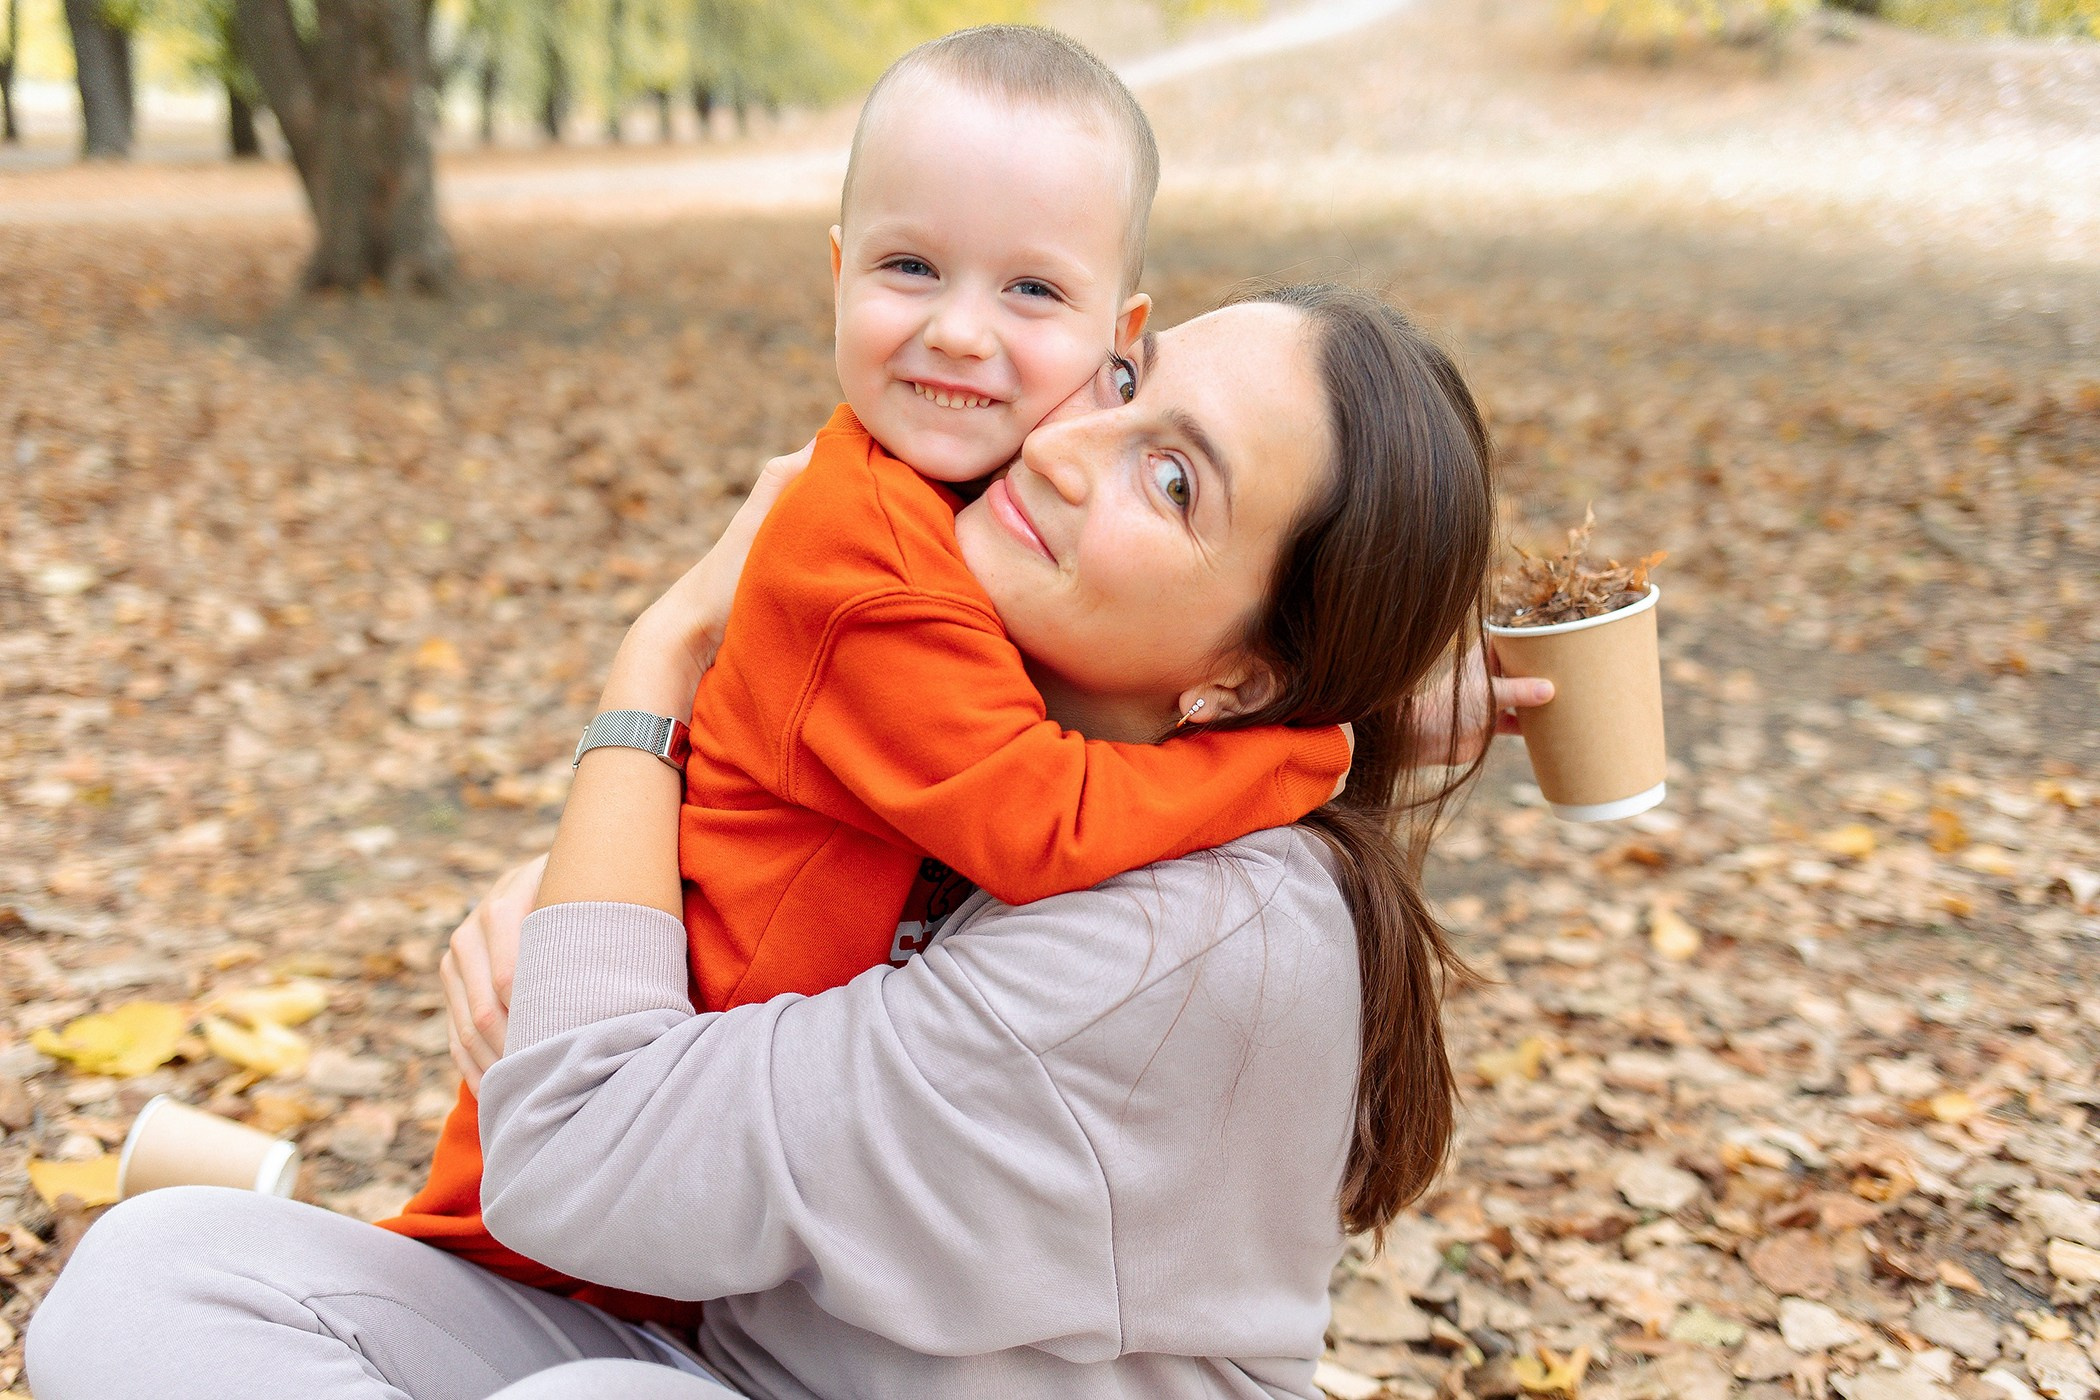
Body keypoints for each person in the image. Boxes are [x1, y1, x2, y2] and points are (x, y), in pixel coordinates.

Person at [26, 286, 1553, 1400]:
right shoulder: (989, 710)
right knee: (162, 1275)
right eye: (1123, 381)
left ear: (1242, 678)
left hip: (701, 1370)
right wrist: (578, 909)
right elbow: (712, 905)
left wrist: (659, 658)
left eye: (1175, 479)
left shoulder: (1188, 938)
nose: (1079, 446)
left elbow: (573, 1156)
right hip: (738, 1358)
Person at [384, 27, 1348, 1320]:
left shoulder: (964, 520)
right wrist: (1311, 750)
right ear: (838, 276)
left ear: (1120, 339)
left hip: (720, 1162)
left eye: (1031, 294)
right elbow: (1037, 819)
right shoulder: (867, 559)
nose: (958, 333)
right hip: (606, 1174)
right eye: (909, 267)